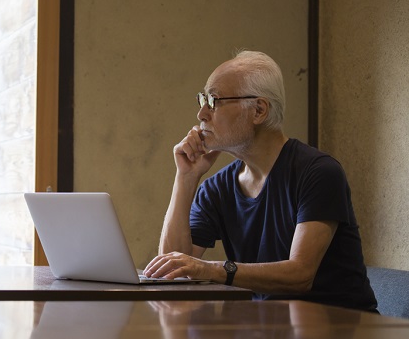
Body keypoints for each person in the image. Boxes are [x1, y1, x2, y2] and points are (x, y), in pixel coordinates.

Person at [143, 50, 377, 312]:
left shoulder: (319, 173)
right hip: (267, 334)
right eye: (202, 99)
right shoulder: (216, 188)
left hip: (340, 334)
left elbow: (300, 274)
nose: (202, 114)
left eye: (214, 100)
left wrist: (215, 269)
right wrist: (185, 178)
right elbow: (171, 269)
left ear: (258, 110)